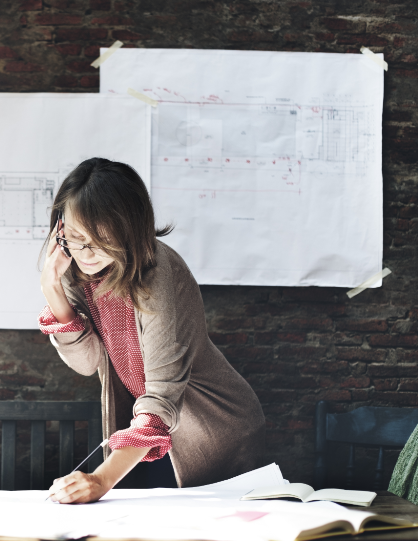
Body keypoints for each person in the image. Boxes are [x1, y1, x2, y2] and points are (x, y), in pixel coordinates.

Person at [41, 158, 266, 504]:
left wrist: (101, 480)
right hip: (145, 427)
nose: (86, 253)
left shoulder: (156, 272)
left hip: (210, 429)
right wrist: (53, 290)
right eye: (73, 236)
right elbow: (88, 363)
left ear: (129, 229)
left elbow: (161, 395)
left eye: (100, 240)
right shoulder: (74, 271)